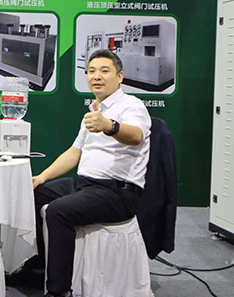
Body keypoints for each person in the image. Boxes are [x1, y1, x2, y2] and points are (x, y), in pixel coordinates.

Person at [32, 49, 151, 297]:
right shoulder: (94, 109)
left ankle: (59, 290)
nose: (96, 76)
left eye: (104, 71)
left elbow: (136, 136)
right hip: (86, 184)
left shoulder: (132, 105)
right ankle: (39, 268)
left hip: (118, 192)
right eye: (91, 71)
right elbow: (74, 152)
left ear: (120, 77)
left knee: (58, 211)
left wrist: (109, 125)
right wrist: (41, 177)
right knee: (35, 194)